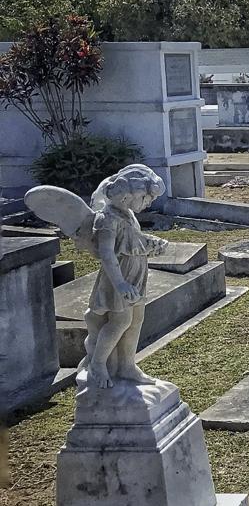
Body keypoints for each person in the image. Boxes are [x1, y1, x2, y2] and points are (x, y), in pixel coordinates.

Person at [82, 164, 169, 389]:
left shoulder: (127, 214)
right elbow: (107, 253)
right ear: (127, 196)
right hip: (118, 277)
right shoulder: (106, 219)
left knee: (136, 319)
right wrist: (120, 283)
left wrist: (151, 244)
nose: (148, 203)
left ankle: (128, 366)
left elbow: (131, 240)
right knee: (121, 321)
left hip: (136, 273)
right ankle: (98, 363)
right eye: (145, 198)